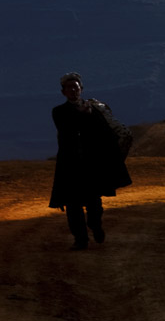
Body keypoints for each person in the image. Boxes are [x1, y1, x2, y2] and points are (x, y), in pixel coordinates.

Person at [49, 72, 132, 250]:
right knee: (73, 205)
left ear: (81, 90)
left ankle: (95, 226)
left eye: (76, 87)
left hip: (91, 166)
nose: (73, 90)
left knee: (94, 203)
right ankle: (81, 240)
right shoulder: (59, 112)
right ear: (63, 92)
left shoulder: (95, 110)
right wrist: (85, 115)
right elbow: (67, 129)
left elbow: (105, 133)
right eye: (69, 88)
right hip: (70, 166)